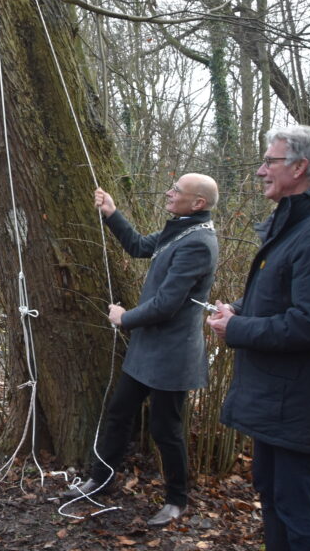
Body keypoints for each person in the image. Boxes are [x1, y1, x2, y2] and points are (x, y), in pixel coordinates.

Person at [207, 126, 310, 551]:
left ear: (299, 167)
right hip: (277, 399)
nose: (260, 171)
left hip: (301, 402)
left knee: (297, 506)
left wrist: (235, 329)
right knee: (274, 495)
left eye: (269, 162)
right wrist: (239, 310)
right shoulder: (297, 227)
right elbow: (281, 293)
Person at [62, 173, 220, 527]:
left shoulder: (199, 243)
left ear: (198, 203)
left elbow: (166, 305)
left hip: (173, 355)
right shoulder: (181, 228)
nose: (169, 192)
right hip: (147, 348)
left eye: (176, 190)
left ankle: (177, 501)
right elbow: (137, 246)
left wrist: (124, 317)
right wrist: (112, 213)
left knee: (166, 429)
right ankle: (99, 479)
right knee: (118, 413)